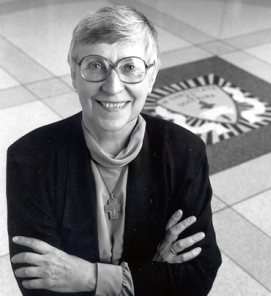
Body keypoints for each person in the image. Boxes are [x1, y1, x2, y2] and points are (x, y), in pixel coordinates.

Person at [6, 5, 221, 296]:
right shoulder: (29, 157)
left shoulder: (184, 152)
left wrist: (89, 277)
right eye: (96, 65)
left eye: (130, 67)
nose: (113, 86)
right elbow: (39, 286)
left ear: (152, 74)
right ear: (73, 72)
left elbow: (199, 274)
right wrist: (151, 274)